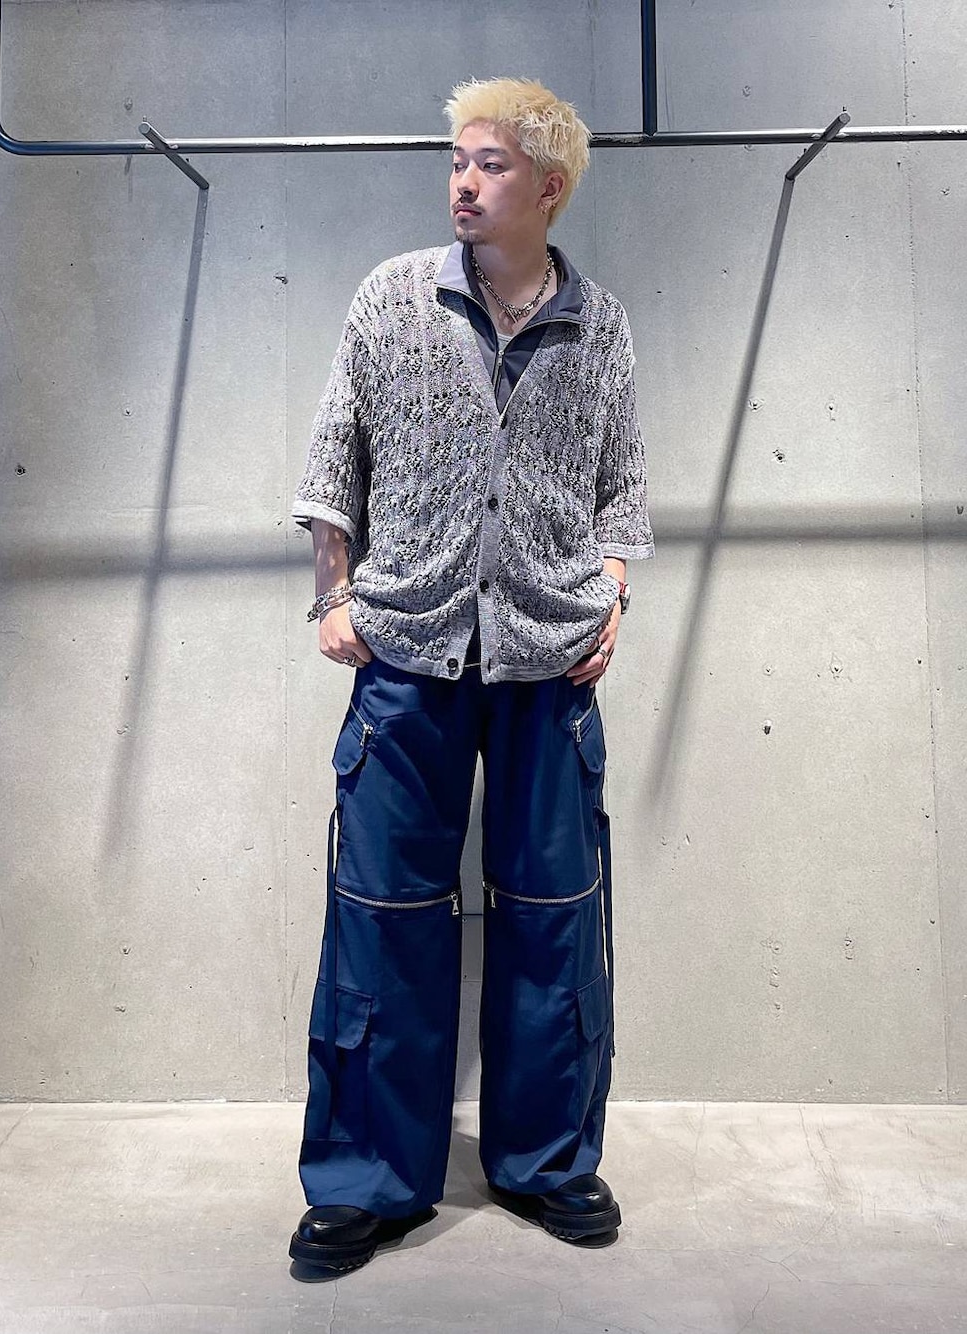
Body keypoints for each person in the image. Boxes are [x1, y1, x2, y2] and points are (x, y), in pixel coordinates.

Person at [288, 76, 653, 1277]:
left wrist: (611, 594)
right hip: (407, 648)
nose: (462, 180)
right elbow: (332, 456)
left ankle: (546, 1162)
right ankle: (365, 1179)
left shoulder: (599, 326)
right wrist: (334, 594)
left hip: (550, 657)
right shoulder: (391, 298)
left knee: (554, 918)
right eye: (457, 160)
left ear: (549, 185)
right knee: (383, 914)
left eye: (489, 163)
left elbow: (621, 485)